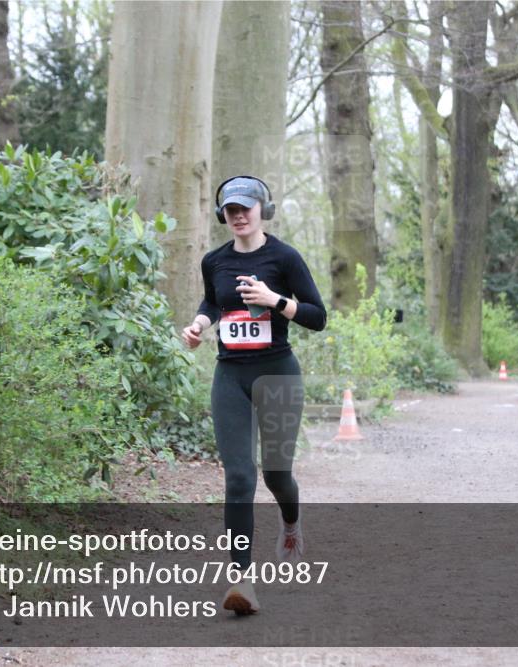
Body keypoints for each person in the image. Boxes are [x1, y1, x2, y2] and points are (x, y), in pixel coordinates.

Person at [181, 175, 327, 616]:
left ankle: (290, 521)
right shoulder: (214, 261)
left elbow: (318, 317)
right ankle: (242, 581)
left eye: (246, 207)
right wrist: (200, 325)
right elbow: (213, 303)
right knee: (240, 477)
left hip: (278, 374)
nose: (239, 215)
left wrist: (274, 299)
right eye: (231, 210)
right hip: (231, 376)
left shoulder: (284, 257)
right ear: (222, 215)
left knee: (276, 475)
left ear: (263, 209)